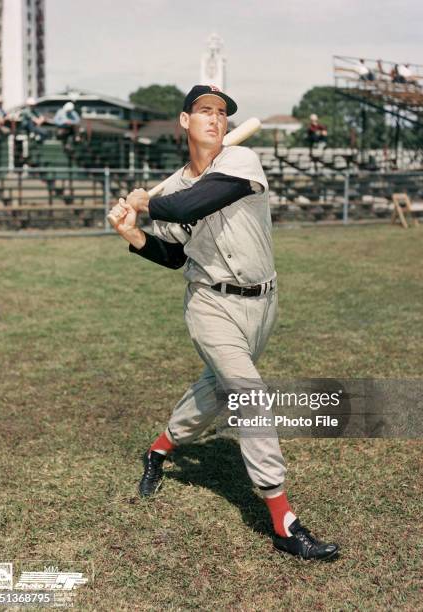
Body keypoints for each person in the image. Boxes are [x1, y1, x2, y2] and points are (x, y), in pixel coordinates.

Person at [108, 84, 339, 561]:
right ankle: (283, 519)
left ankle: (158, 449)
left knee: (217, 388)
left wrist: (144, 203)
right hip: (210, 305)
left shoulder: (241, 163)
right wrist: (134, 235)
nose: (215, 119)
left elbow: (190, 205)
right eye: (204, 111)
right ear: (184, 122)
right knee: (248, 392)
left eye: (221, 113)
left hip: (263, 303)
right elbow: (174, 255)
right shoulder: (171, 189)